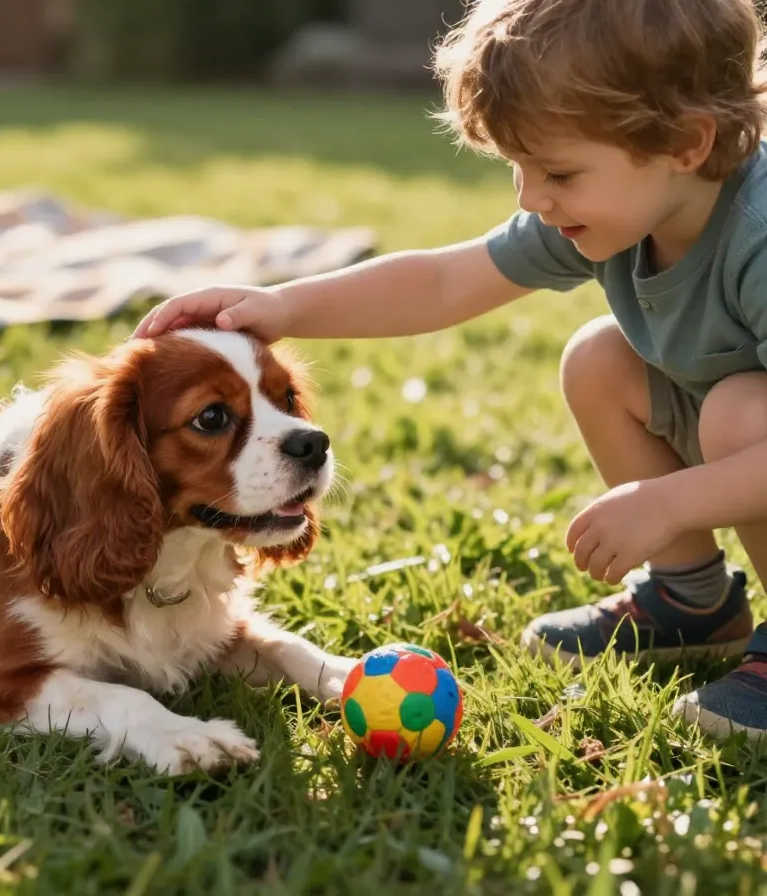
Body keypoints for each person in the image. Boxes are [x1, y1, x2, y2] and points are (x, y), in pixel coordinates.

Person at [132, 0, 767, 741]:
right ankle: (690, 602)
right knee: (599, 360)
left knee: (738, 412)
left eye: (557, 170)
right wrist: (281, 307)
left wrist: (669, 502)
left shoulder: (756, 235)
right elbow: (440, 282)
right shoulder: (628, 204)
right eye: (520, 170)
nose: (533, 198)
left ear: (687, 143)